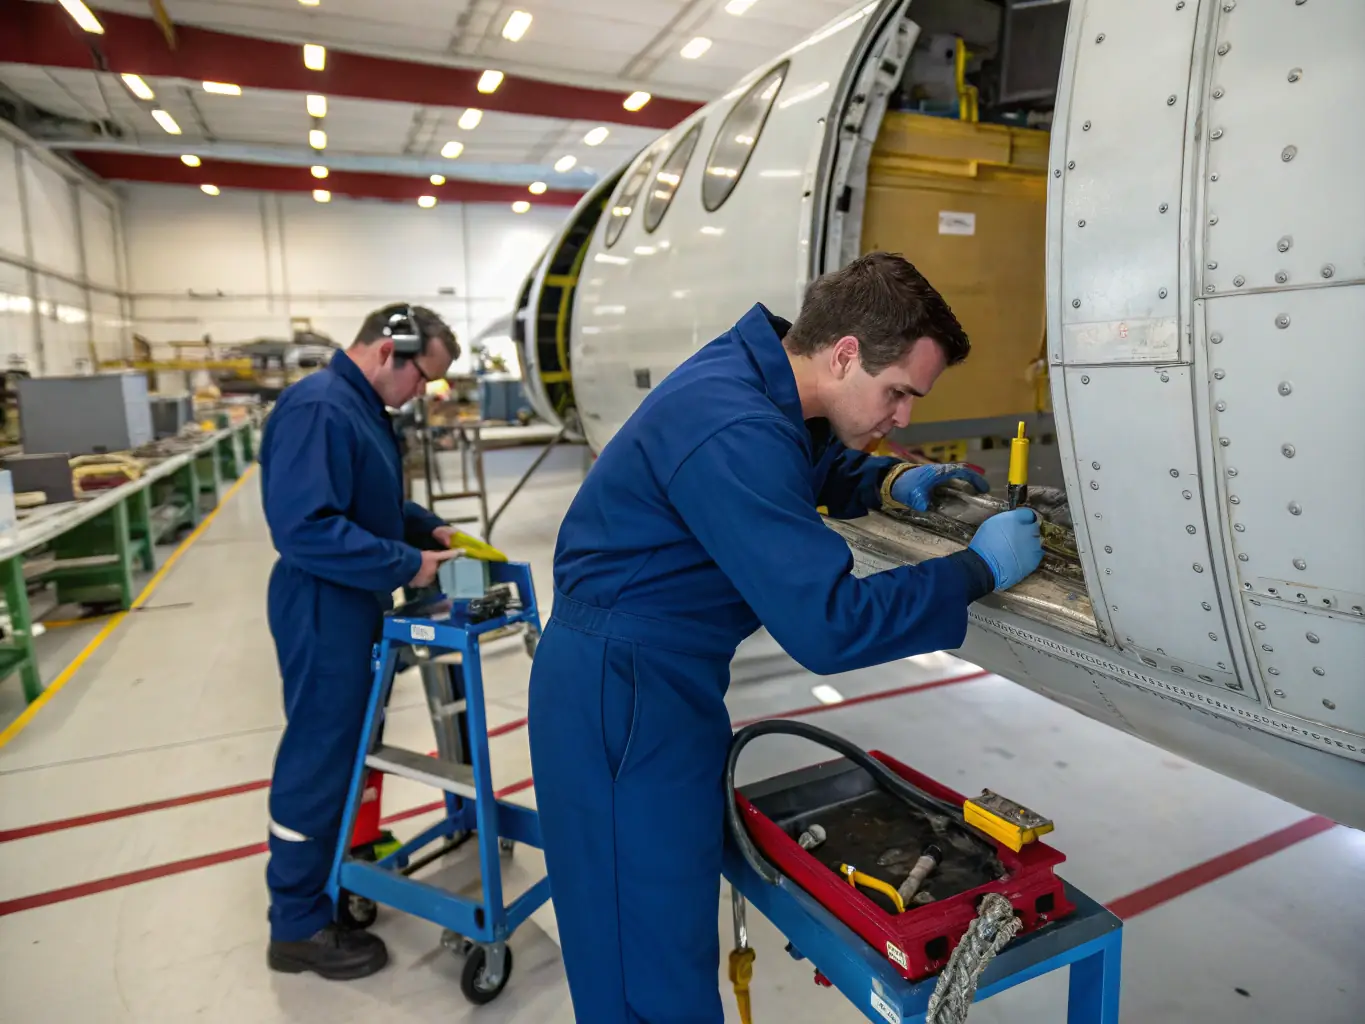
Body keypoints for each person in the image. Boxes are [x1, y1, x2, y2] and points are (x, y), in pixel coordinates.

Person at [527, 252, 1043, 1022]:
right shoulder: (732, 424)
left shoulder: (759, 374)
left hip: (652, 680)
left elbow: (801, 456)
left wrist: (881, 479)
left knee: (663, 929)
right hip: (620, 694)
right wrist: (976, 571)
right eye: (897, 393)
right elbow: (829, 625)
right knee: (645, 960)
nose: (903, 417)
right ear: (843, 353)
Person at [259, 304, 463, 979]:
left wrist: (426, 529)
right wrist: (406, 565)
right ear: (388, 351)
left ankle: (327, 881)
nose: (422, 395)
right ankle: (295, 924)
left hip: (354, 601)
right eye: (423, 379)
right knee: (320, 758)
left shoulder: (358, 409)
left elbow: (368, 507)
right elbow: (307, 529)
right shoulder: (319, 409)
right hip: (324, 604)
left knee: (348, 753)